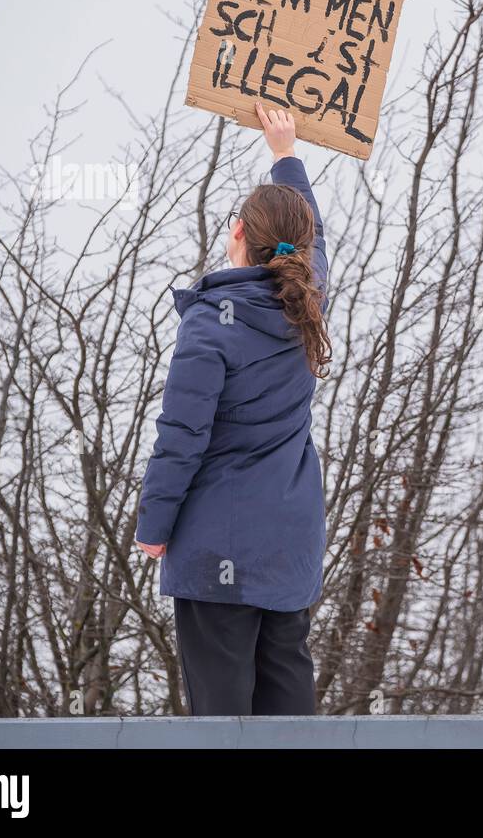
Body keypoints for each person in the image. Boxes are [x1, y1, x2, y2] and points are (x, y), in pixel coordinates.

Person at [134, 103, 329, 716]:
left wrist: (153, 529)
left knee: (223, 718)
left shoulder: (209, 326)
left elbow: (182, 435)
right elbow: (310, 240)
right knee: (288, 699)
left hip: (217, 546)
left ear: (239, 233)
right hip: (289, 546)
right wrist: (286, 155)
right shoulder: (309, 308)